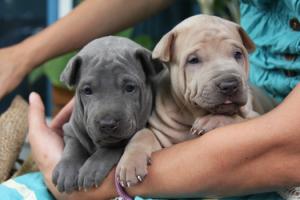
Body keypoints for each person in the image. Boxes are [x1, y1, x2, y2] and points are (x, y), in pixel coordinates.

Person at [2, 0, 300, 199]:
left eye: (237, 55)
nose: (227, 75)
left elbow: (284, 148)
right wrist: (22, 56)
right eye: (195, 60)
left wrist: (102, 187)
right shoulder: (166, 104)